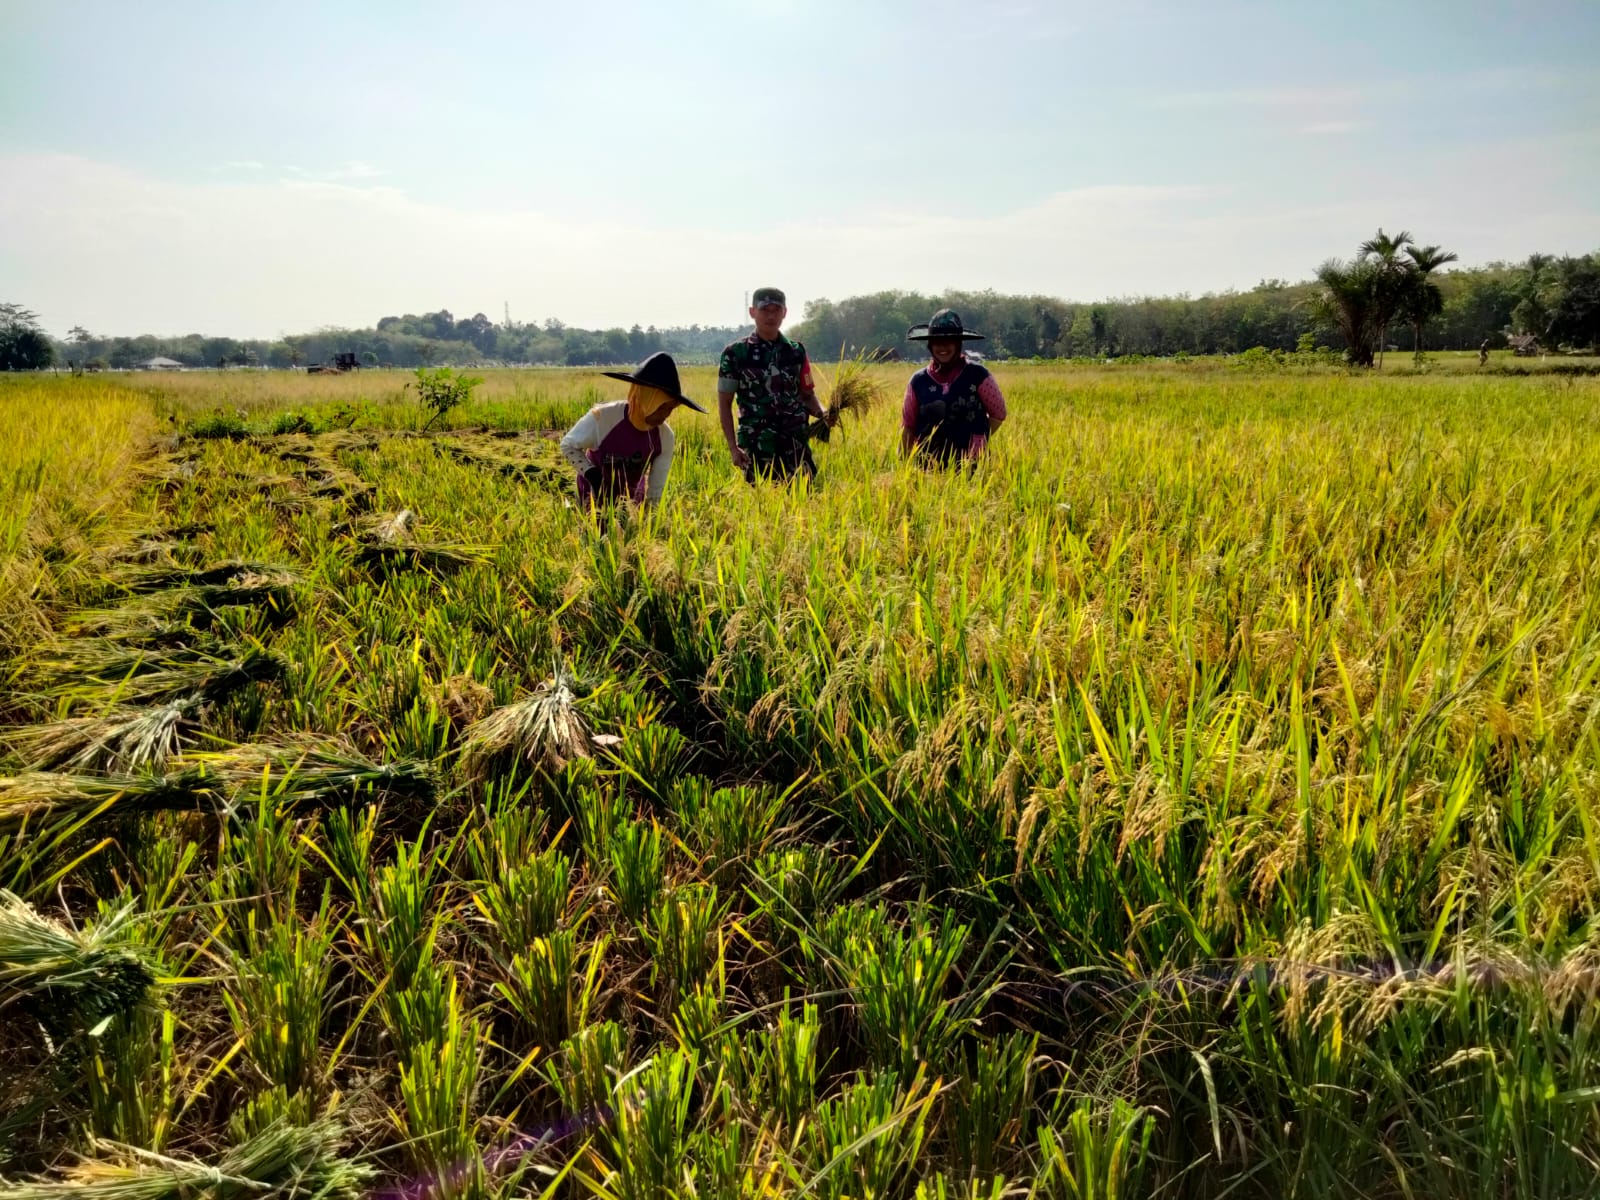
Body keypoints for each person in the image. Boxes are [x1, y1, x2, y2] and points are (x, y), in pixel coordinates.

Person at [558, 352, 705, 508]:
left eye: (671, 408)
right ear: (645, 398)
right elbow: (568, 445)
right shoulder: (603, 417)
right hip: (593, 496)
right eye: (661, 407)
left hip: (631, 502)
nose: (666, 414)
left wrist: (651, 517)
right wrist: (592, 475)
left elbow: (657, 487)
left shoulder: (664, 436)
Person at [717, 287, 828, 483]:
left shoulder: (796, 351)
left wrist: (823, 414)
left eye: (776, 310)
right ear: (753, 312)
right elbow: (724, 403)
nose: (771, 316)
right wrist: (733, 448)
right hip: (758, 444)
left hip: (795, 443)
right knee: (762, 503)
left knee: (803, 500)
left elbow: (807, 395)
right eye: (765, 310)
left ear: (784, 312)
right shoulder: (735, 354)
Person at [901, 309, 1007, 466]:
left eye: (950, 340)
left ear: (958, 343)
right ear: (930, 345)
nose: (943, 347)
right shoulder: (918, 381)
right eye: (937, 342)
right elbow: (908, 426)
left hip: (970, 464)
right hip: (926, 464)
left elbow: (998, 414)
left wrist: (979, 438)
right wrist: (902, 464)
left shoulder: (978, 375)